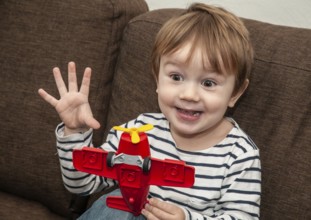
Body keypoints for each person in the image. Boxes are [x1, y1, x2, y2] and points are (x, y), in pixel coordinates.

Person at [38, 3, 261, 220]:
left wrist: (187, 218)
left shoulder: (240, 155)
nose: (189, 94)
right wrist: (74, 131)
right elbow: (82, 184)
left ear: (235, 93)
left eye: (209, 83)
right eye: (176, 77)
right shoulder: (138, 131)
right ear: (157, 79)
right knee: (117, 203)